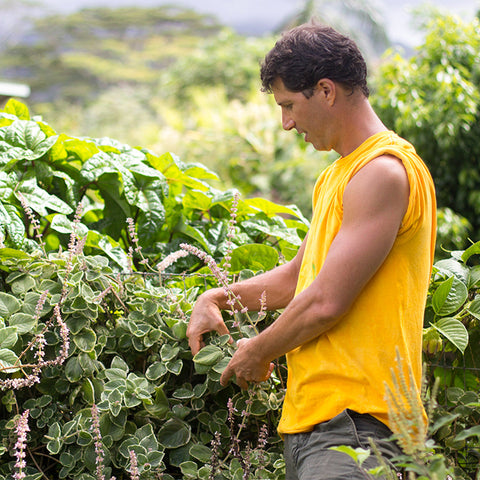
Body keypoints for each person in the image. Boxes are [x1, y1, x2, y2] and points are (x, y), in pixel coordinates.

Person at [187, 22, 436, 480]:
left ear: (325, 90)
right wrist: (217, 299)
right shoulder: (340, 176)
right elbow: (297, 278)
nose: (286, 123)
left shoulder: (383, 171)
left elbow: (326, 301)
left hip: (360, 426)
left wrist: (257, 351)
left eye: (288, 105)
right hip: (319, 426)